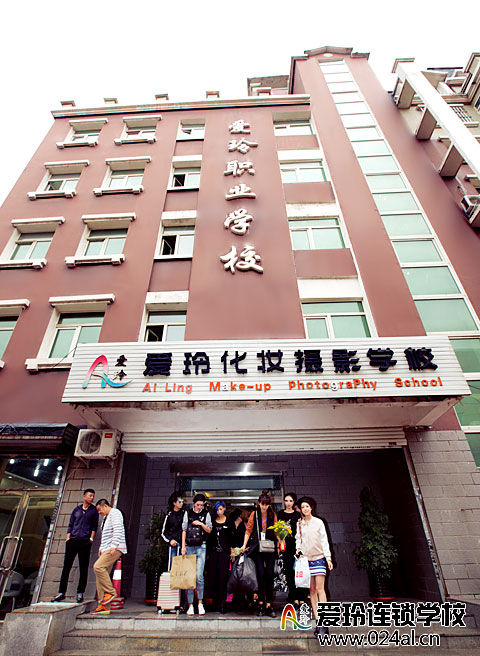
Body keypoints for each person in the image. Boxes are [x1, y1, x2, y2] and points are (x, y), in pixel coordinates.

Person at [51, 488, 98, 603]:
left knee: (83, 568)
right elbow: (71, 524)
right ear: (84, 496)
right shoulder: (76, 510)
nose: (92, 498)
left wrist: (91, 538)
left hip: (85, 542)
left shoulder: (93, 511)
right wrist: (68, 537)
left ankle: (80, 592)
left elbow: (94, 526)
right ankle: (61, 592)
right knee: (66, 567)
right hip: (72, 541)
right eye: (90, 496)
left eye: (93, 496)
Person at [295, 496, 333, 637]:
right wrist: (298, 549)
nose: (305, 509)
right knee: (311, 591)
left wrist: (328, 558)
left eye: (307, 506)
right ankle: (318, 621)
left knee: (320, 589)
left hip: (319, 558)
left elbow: (324, 540)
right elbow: (298, 539)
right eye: (302, 507)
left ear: (311, 507)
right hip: (306, 560)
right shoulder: (300, 523)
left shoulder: (319, 522)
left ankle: (324, 621)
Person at [241, 492, 278, 618]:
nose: (264, 507)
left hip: (270, 547)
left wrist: (280, 541)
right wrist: (244, 545)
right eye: (262, 504)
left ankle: (269, 604)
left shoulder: (272, 514)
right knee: (261, 574)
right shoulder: (254, 514)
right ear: (259, 503)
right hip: (258, 548)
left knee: (269, 575)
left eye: (266, 505)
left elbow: (277, 530)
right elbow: (248, 530)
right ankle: (261, 603)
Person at [90, 499, 127, 616]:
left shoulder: (115, 513)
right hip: (107, 548)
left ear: (105, 506)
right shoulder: (106, 518)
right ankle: (103, 606)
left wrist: (114, 545)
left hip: (114, 548)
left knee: (98, 567)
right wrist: (101, 548)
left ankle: (110, 592)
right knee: (101, 575)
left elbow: (118, 529)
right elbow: (105, 536)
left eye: (99, 509)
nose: (99, 512)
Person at [181, 493, 212, 616]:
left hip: (201, 546)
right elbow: (184, 529)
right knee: (189, 576)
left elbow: (209, 530)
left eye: (201, 505)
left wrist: (201, 524)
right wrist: (183, 546)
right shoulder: (188, 513)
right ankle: (190, 604)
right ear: (194, 504)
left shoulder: (206, 514)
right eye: (198, 504)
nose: (199, 507)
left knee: (199, 576)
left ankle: (200, 602)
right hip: (189, 546)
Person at [205, 500, 232, 613]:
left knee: (223, 577)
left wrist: (232, 551)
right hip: (213, 552)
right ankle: (214, 601)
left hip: (224, 552)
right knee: (213, 576)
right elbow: (209, 537)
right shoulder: (212, 521)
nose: (219, 512)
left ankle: (222, 602)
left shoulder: (229, 522)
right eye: (217, 510)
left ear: (224, 509)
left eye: (221, 509)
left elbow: (232, 537)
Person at [277, 492, 303, 608]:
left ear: (294, 502)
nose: (288, 503)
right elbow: (278, 530)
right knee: (288, 571)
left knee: (298, 571)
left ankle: (300, 597)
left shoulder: (297, 515)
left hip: (296, 545)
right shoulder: (280, 513)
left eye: (290, 501)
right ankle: (292, 596)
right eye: (286, 500)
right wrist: (279, 542)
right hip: (285, 545)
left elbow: (301, 531)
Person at [161, 492, 185, 570]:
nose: (182, 503)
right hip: (173, 545)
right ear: (174, 503)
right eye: (179, 501)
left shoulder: (185, 514)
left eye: (182, 501)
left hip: (184, 546)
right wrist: (170, 540)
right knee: (172, 568)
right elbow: (163, 532)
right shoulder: (169, 515)